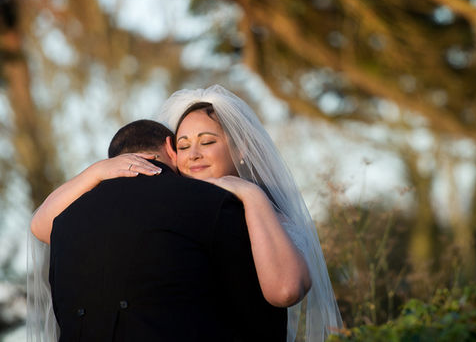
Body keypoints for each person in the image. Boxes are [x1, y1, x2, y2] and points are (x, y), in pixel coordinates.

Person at [31, 84, 342, 340]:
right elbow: (44, 225)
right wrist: (96, 172)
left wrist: (250, 194)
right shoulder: (172, 208)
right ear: (171, 151)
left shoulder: (258, 209)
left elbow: (286, 290)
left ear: (241, 148)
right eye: (183, 145)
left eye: (207, 142)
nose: (194, 154)